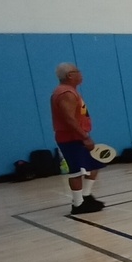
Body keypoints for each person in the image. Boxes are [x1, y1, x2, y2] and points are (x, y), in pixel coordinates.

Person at [51, 63, 105, 215]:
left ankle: (86, 196)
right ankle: (78, 204)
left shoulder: (71, 91)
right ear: (70, 75)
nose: (81, 74)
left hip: (78, 136)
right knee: (76, 171)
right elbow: (69, 119)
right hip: (71, 138)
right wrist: (84, 137)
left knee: (94, 166)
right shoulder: (65, 93)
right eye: (78, 71)